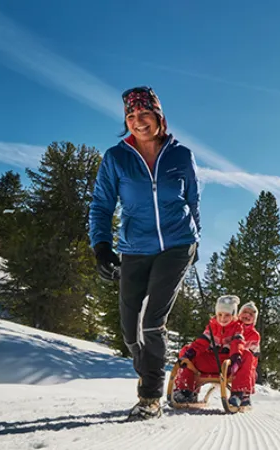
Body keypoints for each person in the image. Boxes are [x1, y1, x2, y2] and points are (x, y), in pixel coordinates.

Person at [88, 85, 201, 421]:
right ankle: (149, 370)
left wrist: (194, 239)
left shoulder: (181, 155)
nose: (138, 121)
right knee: (129, 329)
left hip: (177, 246)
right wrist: (101, 245)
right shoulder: (116, 158)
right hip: (134, 248)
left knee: (152, 322)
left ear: (159, 117)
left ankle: (150, 396)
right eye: (131, 116)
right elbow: (101, 204)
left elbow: (192, 201)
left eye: (145, 114)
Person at [173, 295, 257, 410]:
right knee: (187, 351)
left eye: (227, 315)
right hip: (209, 361)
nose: (223, 318)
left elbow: (237, 343)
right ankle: (186, 390)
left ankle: (239, 394)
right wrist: (190, 353)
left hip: (227, 365)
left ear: (233, 315)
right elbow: (201, 342)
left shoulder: (237, 328)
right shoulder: (211, 326)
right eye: (220, 314)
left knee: (246, 354)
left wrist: (236, 358)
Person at [237, 301, 261, 390]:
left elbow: (253, 355)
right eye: (245, 312)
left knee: (249, 364)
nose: (247, 315)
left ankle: (244, 392)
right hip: (227, 359)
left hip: (244, 362)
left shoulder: (254, 335)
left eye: (251, 314)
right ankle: (192, 391)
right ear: (239, 314)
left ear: (254, 319)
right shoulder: (231, 327)